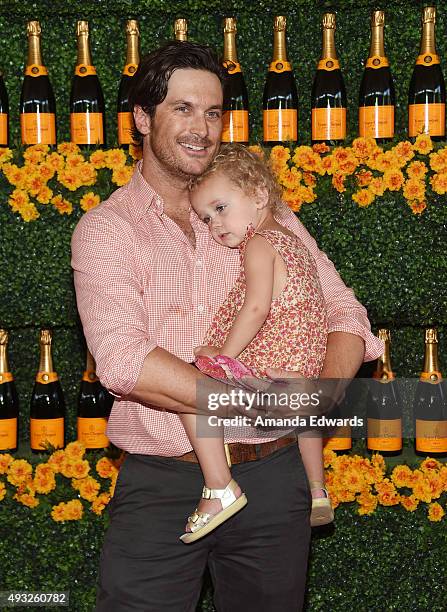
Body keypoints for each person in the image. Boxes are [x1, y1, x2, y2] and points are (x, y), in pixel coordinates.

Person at [71, 40, 383, 612]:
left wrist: (325, 394)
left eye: (213, 112)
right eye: (183, 109)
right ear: (142, 118)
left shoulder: (261, 211)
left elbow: (344, 313)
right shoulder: (106, 230)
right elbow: (122, 360)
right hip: (162, 485)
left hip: (274, 478)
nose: (202, 128)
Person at [178, 143, 334, 545]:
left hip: (273, 355)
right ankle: (318, 487)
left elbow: (256, 308)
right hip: (305, 360)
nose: (214, 224)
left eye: (220, 208)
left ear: (260, 195)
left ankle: (219, 485)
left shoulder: (260, 243)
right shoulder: (293, 241)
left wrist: (224, 358)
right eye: (206, 217)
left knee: (187, 385)